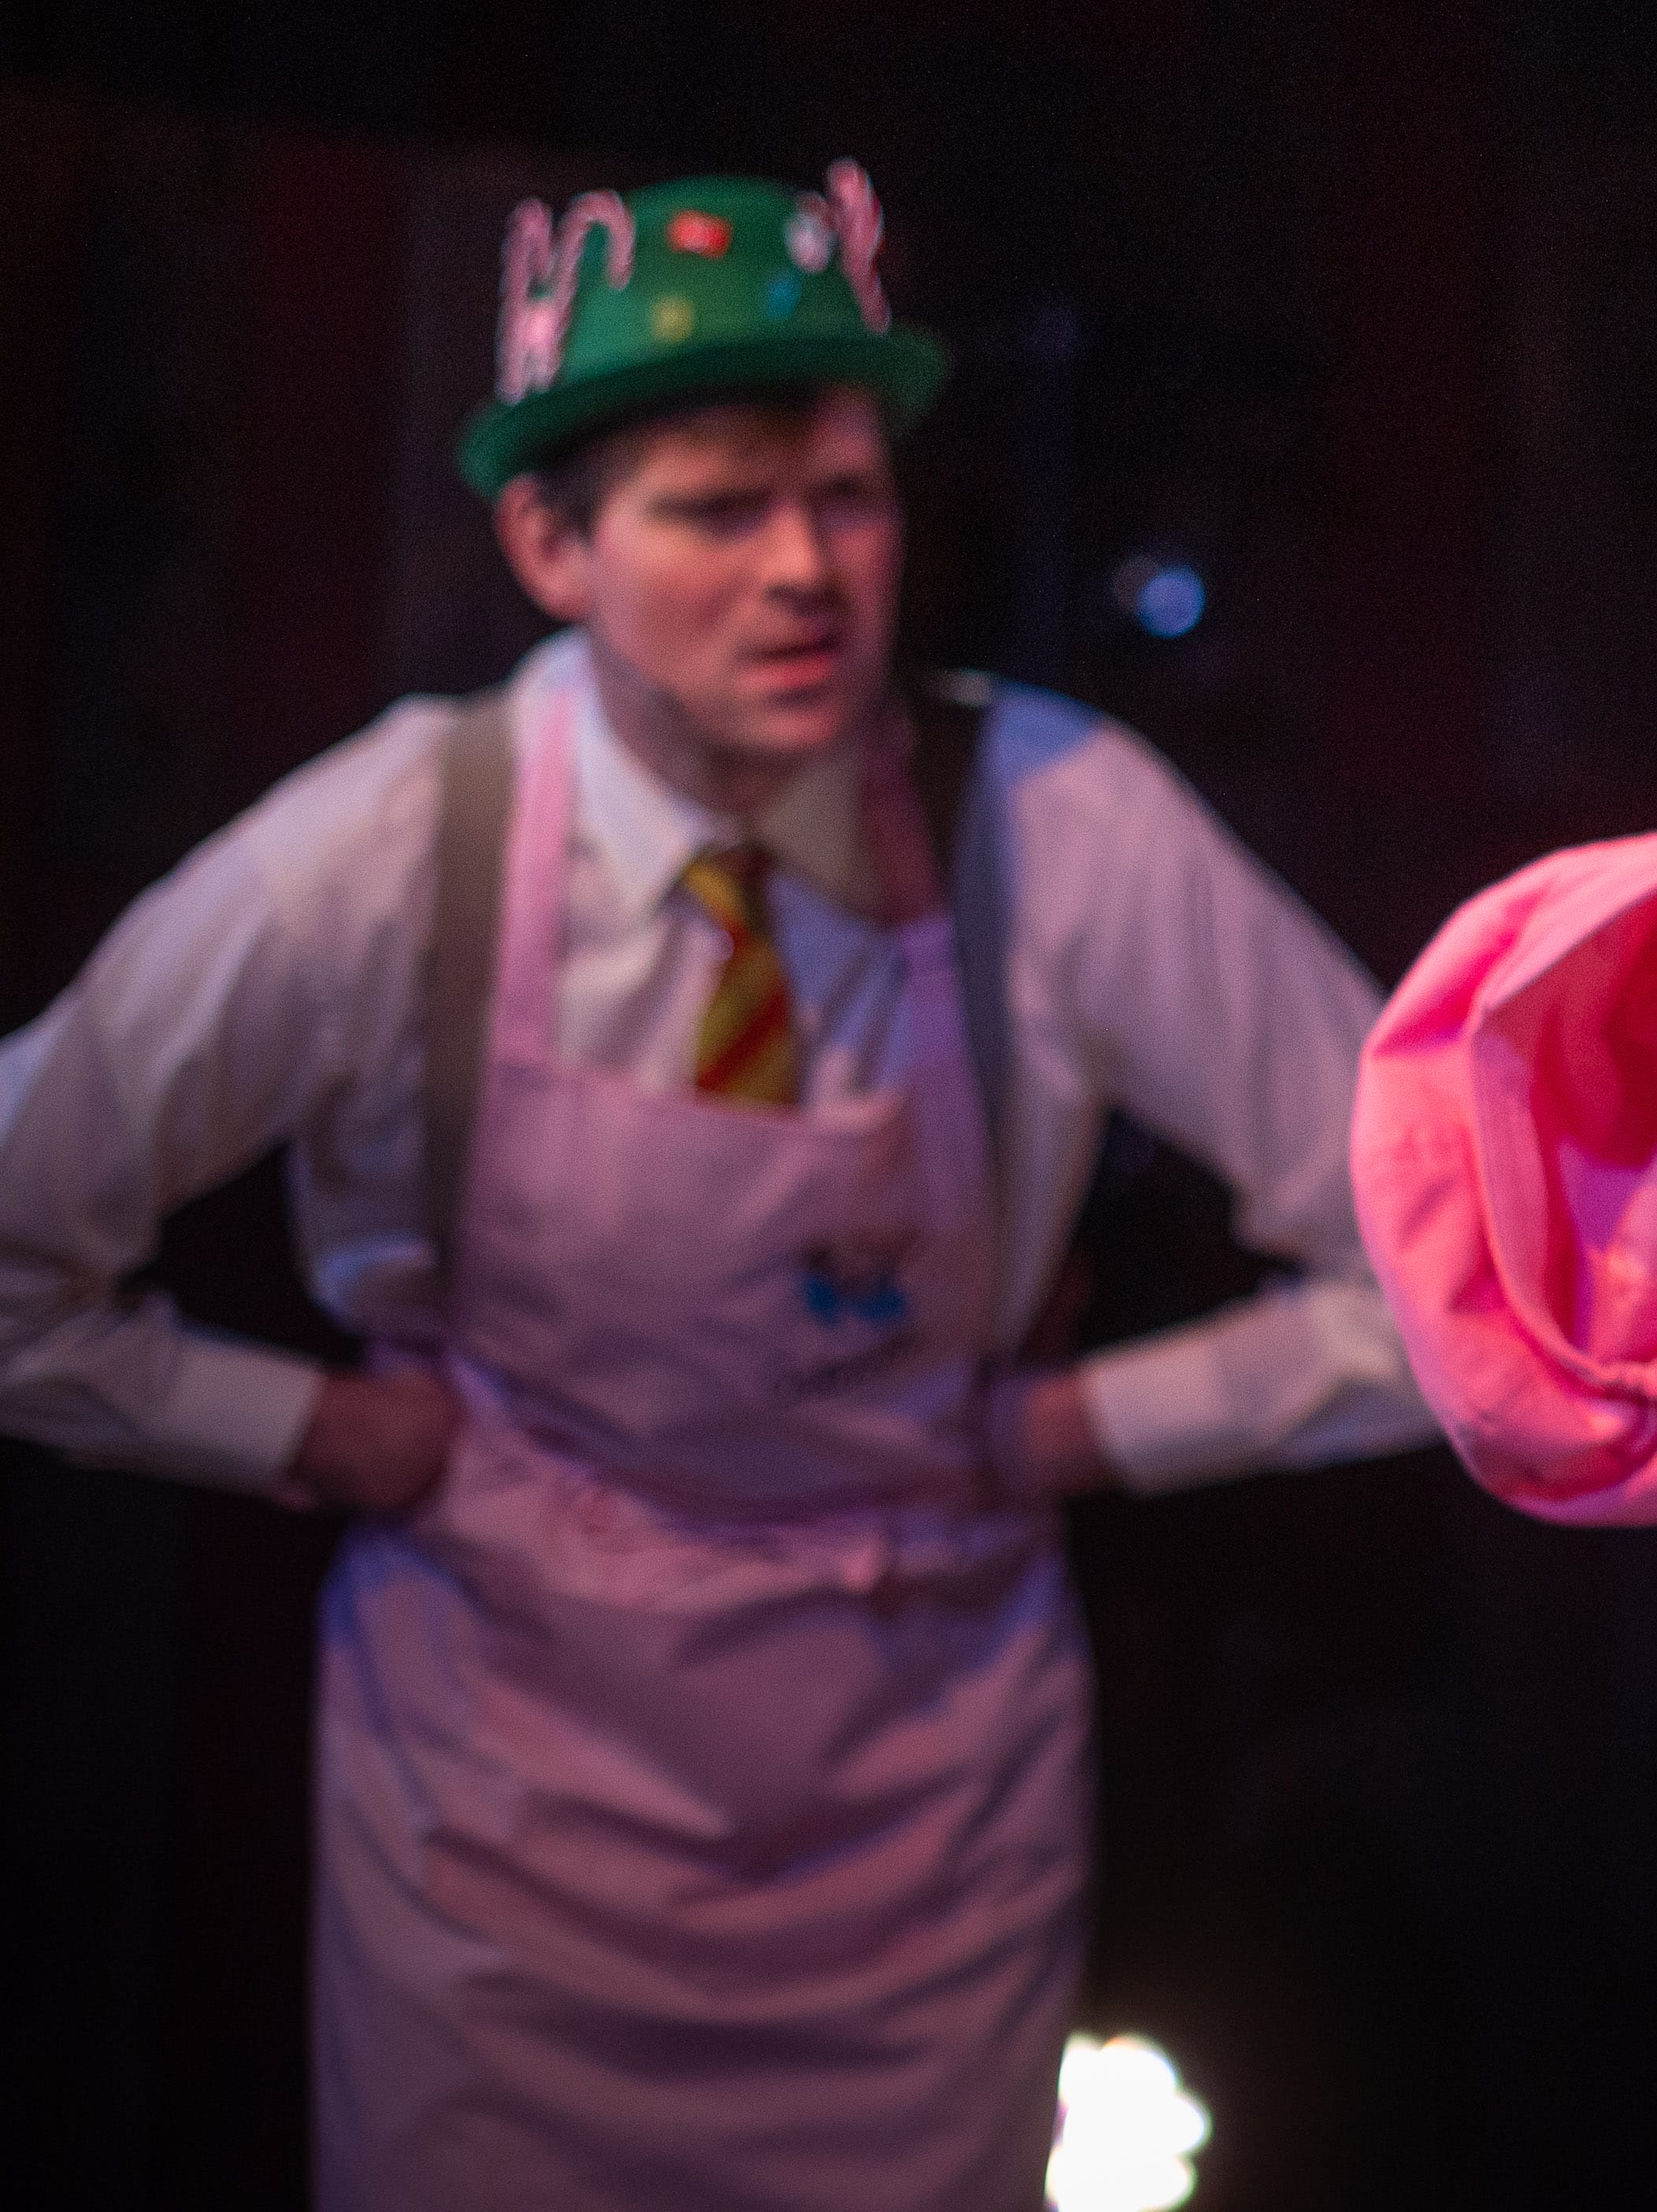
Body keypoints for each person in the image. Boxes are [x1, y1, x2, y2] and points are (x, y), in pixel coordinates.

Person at [0, 165, 1432, 2211]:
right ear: (550, 543)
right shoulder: (397, 847)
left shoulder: (1059, 822)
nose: (806, 571)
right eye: (714, 507)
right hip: (507, 1818)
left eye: (847, 494)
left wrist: (1086, 1426)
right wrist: (305, 1425)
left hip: (919, 1818)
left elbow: (1445, 1261)